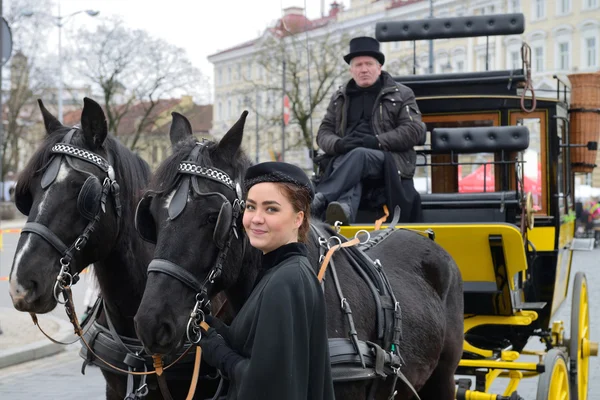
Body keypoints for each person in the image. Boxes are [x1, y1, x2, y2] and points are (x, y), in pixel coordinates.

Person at [199, 161, 335, 400]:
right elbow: (255, 346)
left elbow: (265, 384)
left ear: (298, 219)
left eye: (271, 209)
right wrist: (207, 323)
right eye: (251, 207)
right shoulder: (284, 272)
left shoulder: (286, 281)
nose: (256, 219)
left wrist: (217, 352)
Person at [312, 36, 426, 225]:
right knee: (350, 160)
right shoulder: (339, 97)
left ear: (379, 67)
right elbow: (323, 132)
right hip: (348, 158)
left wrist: (377, 141)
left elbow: (413, 129)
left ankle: (322, 197)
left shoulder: (402, 94)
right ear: (351, 69)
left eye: (368, 64)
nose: (363, 69)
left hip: (389, 160)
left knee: (359, 156)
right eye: (358, 65)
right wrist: (339, 144)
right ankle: (344, 209)